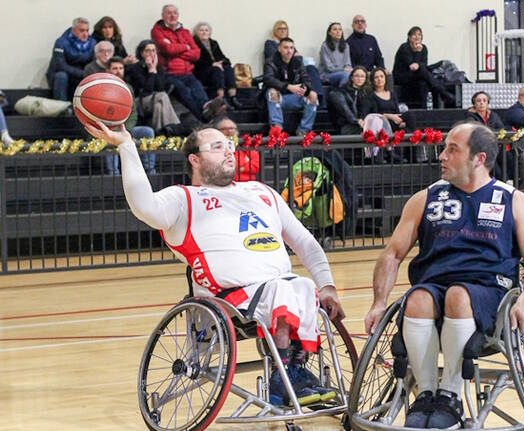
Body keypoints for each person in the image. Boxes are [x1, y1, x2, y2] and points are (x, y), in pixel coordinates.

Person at [84, 121, 345, 407]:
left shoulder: (261, 192)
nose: (229, 151)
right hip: (228, 302)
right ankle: (283, 381)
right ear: (194, 159)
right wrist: (126, 146)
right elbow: (143, 206)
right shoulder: (182, 198)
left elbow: (305, 243)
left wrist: (328, 285)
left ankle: (293, 369)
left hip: (279, 289)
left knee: (303, 286)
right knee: (286, 289)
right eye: (217, 147)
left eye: (230, 145)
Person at [364, 122, 524, 429]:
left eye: (452, 149)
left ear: (478, 158)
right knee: (419, 297)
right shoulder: (426, 198)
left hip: (489, 291)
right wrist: (378, 302)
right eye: (444, 147)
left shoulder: (515, 201)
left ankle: (450, 395)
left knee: (458, 295)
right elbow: (392, 254)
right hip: (435, 287)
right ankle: (426, 395)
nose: (442, 155)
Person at [151, 4, 223, 122]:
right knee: (185, 92)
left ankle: (208, 109)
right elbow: (168, 49)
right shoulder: (157, 31)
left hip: (187, 72)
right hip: (169, 74)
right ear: (163, 15)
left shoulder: (185, 32)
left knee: (199, 91)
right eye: (169, 13)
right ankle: (206, 119)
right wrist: (186, 46)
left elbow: (196, 54)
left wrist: (177, 50)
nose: (172, 15)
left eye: (175, 12)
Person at [105, 57, 156, 175]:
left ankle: (150, 171)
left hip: (126, 128)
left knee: (147, 132)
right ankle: (113, 175)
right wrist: (114, 130)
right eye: (115, 68)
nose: (118, 71)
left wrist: (125, 129)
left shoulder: (128, 87)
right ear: (108, 71)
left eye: (121, 68)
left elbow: (133, 113)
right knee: (109, 139)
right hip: (107, 130)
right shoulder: (101, 86)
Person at [263, 37, 318, 136]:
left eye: (292, 48)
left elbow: (307, 80)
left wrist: (304, 87)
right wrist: (288, 86)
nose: (289, 51)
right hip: (277, 97)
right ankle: (277, 129)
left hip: (293, 97)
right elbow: (269, 79)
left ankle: (304, 129)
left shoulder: (298, 62)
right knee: (272, 92)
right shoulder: (270, 62)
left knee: (313, 95)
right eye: (286, 48)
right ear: (279, 49)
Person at [264, 21, 324, 107]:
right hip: (280, 74)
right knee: (272, 93)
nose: (283, 31)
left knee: (311, 68)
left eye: (285, 29)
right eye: (280, 29)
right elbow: (275, 56)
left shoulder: (290, 43)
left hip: (292, 73)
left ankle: (318, 97)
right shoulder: (270, 43)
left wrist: (304, 87)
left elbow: (298, 58)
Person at [128, 39, 182, 136]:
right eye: (148, 50)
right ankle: (175, 127)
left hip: (156, 100)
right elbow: (146, 90)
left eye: (153, 50)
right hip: (139, 102)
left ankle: (160, 132)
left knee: (159, 104)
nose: (151, 53)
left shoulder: (159, 67)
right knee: (162, 96)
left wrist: (154, 69)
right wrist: (151, 71)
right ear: (141, 53)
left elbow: (161, 87)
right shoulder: (135, 68)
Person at [392, 26, 455, 109]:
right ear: (409, 37)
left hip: (417, 76)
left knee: (423, 83)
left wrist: (419, 64)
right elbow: (413, 67)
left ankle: (425, 110)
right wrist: (418, 52)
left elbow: (423, 65)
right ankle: (442, 92)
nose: (417, 37)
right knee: (422, 71)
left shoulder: (424, 48)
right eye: (414, 35)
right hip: (402, 76)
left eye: (419, 34)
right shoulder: (404, 47)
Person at [192, 22, 242, 109]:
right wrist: (212, 64)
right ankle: (221, 98)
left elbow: (222, 57)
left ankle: (233, 97)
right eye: (201, 30)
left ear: (209, 32)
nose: (204, 32)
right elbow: (196, 60)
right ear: (197, 32)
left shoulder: (213, 43)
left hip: (215, 69)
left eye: (206, 30)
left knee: (228, 69)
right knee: (217, 70)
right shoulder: (194, 43)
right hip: (202, 71)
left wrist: (222, 63)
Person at [46, 17, 96, 101]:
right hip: (63, 74)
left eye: (87, 30)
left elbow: (94, 61)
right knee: (61, 76)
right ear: (73, 30)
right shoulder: (61, 42)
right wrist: (82, 73)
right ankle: (62, 107)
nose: (85, 34)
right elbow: (60, 65)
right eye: (82, 30)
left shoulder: (93, 42)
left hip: (82, 73)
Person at [212, 116, 260, 181]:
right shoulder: (214, 146)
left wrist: (241, 168)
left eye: (231, 128)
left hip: (247, 183)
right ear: (218, 131)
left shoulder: (245, 144)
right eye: (224, 128)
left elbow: (256, 165)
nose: (229, 131)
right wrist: (244, 163)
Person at [327, 66, 372, 135]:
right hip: (347, 125)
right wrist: (356, 121)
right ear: (351, 77)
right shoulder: (341, 91)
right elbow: (345, 110)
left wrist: (363, 121)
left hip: (364, 124)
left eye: (362, 76)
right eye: (357, 76)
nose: (359, 79)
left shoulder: (368, 93)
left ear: (365, 79)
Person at [319, 22, 352, 88]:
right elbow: (329, 68)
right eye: (335, 29)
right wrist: (344, 69)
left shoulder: (346, 45)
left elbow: (348, 63)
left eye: (340, 29)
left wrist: (348, 68)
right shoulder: (325, 46)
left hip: (343, 73)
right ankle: (340, 93)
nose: (338, 31)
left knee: (357, 76)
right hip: (327, 75)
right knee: (345, 76)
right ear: (329, 33)